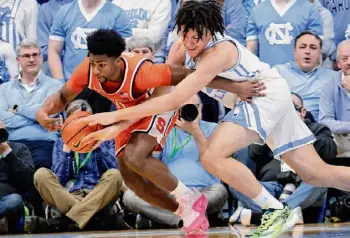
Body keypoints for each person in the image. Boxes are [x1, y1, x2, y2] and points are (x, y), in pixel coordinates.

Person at [78, 1, 350, 237]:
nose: (190, 41)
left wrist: (110, 116)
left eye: (197, 35)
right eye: (185, 33)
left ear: (209, 32)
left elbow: (174, 100)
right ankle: (278, 210)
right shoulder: (179, 50)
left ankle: (276, 211)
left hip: (264, 94)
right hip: (261, 98)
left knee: (212, 155)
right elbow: (156, 104)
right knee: (315, 173)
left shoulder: (220, 51)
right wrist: (118, 126)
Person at [35, 28, 264, 234]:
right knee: (132, 180)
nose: (95, 70)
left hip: (158, 103)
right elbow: (63, 97)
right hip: (129, 112)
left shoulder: (143, 72)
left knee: (135, 156)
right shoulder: (87, 70)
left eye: (101, 65)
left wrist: (234, 87)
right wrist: (43, 113)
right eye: (92, 63)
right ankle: (186, 212)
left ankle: (189, 197)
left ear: (118, 60)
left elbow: (190, 76)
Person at [123, 94, 228, 229]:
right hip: (169, 194)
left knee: (220, 191)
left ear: (200, 108)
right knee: (130, 196)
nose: (187, 113)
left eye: (192, 108)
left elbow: (214, 159)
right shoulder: (163, 132)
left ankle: (159, 219)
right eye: (182, 109)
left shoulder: (213, 129)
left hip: (203, 192)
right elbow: (148, 165)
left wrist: (195, 131)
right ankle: (184, 219)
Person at [0, 120, 35, 234]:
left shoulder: (20, 148)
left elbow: (28, 178)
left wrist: (8, 153)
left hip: (9, 199)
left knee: (14, 200)